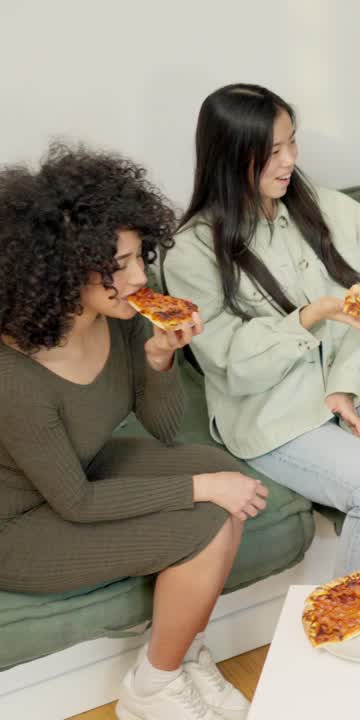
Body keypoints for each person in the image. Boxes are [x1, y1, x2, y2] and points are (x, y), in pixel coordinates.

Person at [165, 84, 360, 578]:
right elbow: (231, 365)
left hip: (346, 387)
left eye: (292, 142)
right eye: (271, 152)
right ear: (230, 157)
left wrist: (344, 384)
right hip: (274, 416)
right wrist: (310, 316)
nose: (289, 160)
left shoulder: (336, 212)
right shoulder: (193, 253)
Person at [0, 144, 261, 720]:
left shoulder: (115, 317)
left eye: (140, 255)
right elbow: (75, 501)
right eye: (118, 266)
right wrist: (201, 491)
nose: (140, 276)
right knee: (211, 509)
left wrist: (161, 358)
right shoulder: (14, 377)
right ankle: (152, 689)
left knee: (227, 477)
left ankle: (182, 654)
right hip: (19, 523)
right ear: (64, 269)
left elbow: (164, 427)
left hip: (84, 466)